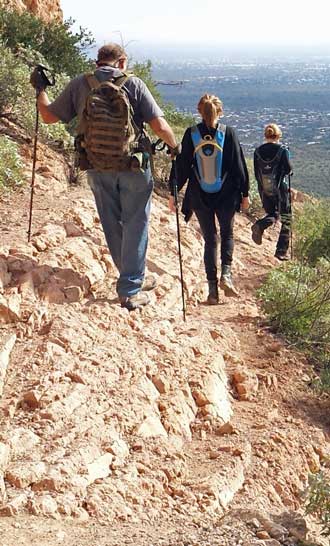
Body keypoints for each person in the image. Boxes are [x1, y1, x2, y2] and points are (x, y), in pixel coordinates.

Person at [30, 43, 178, 310]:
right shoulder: (133, 84)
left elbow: (48, 116)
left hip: (96, 165)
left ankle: (132, 278)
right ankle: (130, 289)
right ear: (121, 62)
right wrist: (175, 146)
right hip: (133, 166)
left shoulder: (80, 84)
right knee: (136, 222)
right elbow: (159, 125)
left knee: (112, 223)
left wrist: (40, 89)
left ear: (98, 62)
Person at [169, 94, 250, 304]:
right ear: (220, 112)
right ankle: (226, 274)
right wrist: (245, 194)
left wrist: (173, 192)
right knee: (227, 234)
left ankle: (212, 291)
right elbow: (238, 166)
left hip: (199, 196)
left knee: (210, 240)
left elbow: (182, 166)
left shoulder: (191, 133)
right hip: (227, 195)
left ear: (199, 111)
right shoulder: (229, 133)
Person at [251, 123, 293, 260]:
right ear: (278, 135)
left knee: (272, 213)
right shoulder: (283, 150)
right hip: (280, 189)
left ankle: (260, 225)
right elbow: (288, 169)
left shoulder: (257, 151)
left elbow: (256, 172)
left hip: (264, 189)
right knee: (286, 218)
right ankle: (281, 251)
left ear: (266, 135)